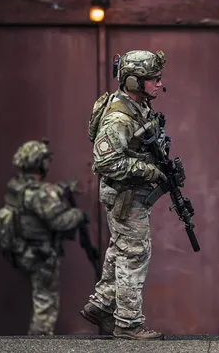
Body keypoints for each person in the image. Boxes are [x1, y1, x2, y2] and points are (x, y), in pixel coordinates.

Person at [80, 50, 168, 340]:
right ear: (133, 82)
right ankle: (128, 323)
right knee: (134, 253)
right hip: (125, 195)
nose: (159, 83)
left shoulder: (137, 106)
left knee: (121, 249)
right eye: (153, 79)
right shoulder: (118, 117)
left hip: (132, 193)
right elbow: (104, 162)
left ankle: (102, 305)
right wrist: (148, 171)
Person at [6, 139, 86, 335]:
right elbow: (59, 221)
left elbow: (36, 198)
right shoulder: (41, 193)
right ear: (39, 162)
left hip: (23, 249)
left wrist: (61, 188)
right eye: (46, 160)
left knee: (39, 298)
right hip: (40, 254)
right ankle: (38, 344)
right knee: (45, 304)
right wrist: (79, 215)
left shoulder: (16, 186)